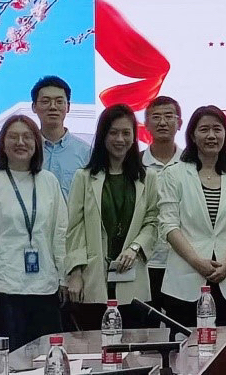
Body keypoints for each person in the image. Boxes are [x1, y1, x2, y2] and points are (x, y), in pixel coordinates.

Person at [0, 115, 68, 362]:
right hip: (2, 289)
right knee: (5, 364)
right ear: (3, 144)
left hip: (44, 288)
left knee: (44, 363)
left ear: (36, 143)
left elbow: (60, 233)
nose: (20, 142)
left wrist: (64, 277)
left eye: (27, 137)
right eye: (13, 137)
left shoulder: (49, 182)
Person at [157, 106, 226, 327]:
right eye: (204, 130)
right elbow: (169, 226)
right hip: (186, 277)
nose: (211, 135)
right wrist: (196, 261)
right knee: (185, 344)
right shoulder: (174, 174)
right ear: (192, 135)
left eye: (217, 129)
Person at [64, 104, 160, 314]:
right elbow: (75, 229)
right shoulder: (84, 177)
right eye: (113, 133)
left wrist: (135, 248)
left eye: (126, 133)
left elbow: (152, 221)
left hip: (132, 277)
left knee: (133, 333)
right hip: (93, 278)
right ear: (103, 136)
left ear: (134, 136)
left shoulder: (148, 177)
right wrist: (76, 272)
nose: (120, 139)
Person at [141, 96, 184, 316]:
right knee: (144, 328)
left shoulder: (191, 163)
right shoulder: (135, 164)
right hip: (145, 263)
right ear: (146, 124)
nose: (163, 122)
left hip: (183, 262)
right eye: (156, 117)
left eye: (169, 116)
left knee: (183, 327)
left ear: (180, 123)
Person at [30, 76, 92, 200]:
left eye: (59, 101)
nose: (53, 107)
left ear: (68, 107)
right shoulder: (27, 150)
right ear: (34, 107)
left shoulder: (86, 152)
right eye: (45, 101)